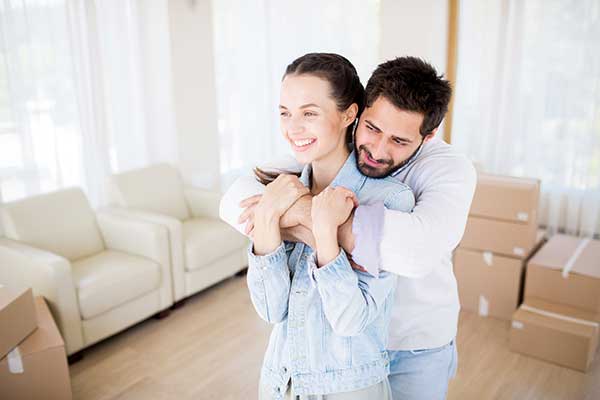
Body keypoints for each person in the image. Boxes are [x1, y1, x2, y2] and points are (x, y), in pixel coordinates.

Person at [221, 56, 477, 400]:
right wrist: (296, 214)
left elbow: (416, 256)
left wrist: (304, 220)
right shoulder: (326, 153)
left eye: (399, 141)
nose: (377, 150)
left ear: (427, 136)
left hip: (414, 343)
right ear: (358, 114)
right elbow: (236, 198)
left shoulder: (447, 169)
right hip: (325, 353)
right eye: (372, 128)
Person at [244, 53, 416, 400]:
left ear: (349, 114)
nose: (293, 128)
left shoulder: (389, 200)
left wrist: (325, 233)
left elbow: (350, 320)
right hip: (279, 383)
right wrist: (267, 216)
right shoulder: (282, 190)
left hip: (348, 389)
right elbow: (271, 310)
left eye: (309, 113)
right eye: (285, 113)